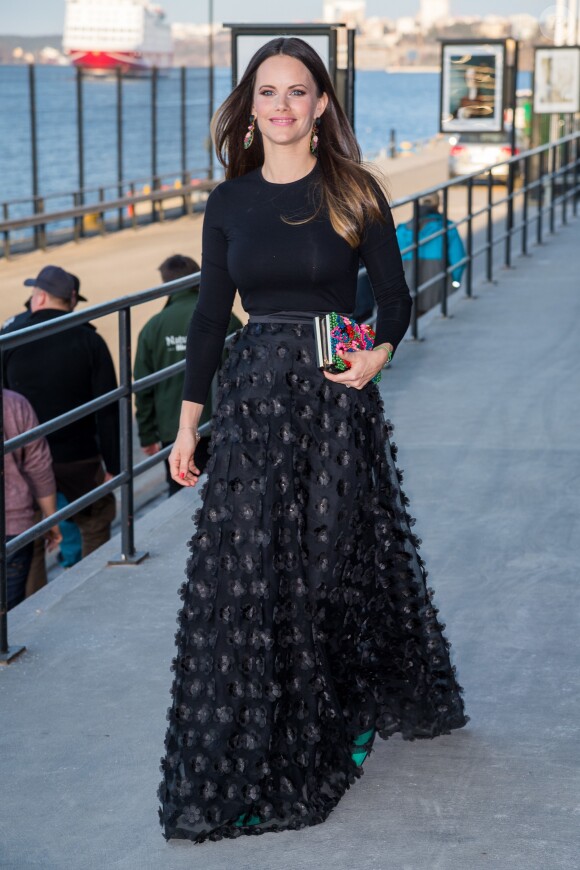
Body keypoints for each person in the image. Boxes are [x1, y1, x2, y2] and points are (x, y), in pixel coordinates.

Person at [158, 38, 467, 844]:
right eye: (269, 93)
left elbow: (394, 300)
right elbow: (204, 319)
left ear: (323, 105)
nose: (283, 106)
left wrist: (378, 354)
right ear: (250, 106)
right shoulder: (229, 202)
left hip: (335, 401)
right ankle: (271, 731)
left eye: (300, 92)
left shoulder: (354, 191)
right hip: (257, 401)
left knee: (329, 564)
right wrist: (190, 425)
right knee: (258, 572)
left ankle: (340, 712)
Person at [3, 265, 120, 562]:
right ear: (70, 300)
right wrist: (115, 465)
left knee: (27, 535)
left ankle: (31, 601)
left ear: (40, 298)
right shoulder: (90, 339)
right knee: (96, 519)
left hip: (25, 459)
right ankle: (92, 585)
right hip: (79, 457)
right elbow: (108, 407)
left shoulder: (11, 340)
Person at [134, 254, 242, 496]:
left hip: (173, 429)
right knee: (224, 488)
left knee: (180, 487)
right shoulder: (225, 319)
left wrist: (147, 433)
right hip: (218, 424)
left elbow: (142, 386)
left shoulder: (153, 326)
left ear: (166, 284)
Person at [3, 389, 61, 610]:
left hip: (14, 526)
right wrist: (52, 519)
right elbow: (39, 467)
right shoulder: (15, 403)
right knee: (8, 615)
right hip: (14, 526)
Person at [396, 192, 466, 316]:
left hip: (407, 283)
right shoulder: (446, 227)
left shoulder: (401, 230)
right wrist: (455, 283)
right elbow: (458, 260)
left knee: (413, 323)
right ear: (438, 204)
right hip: (437, 284)